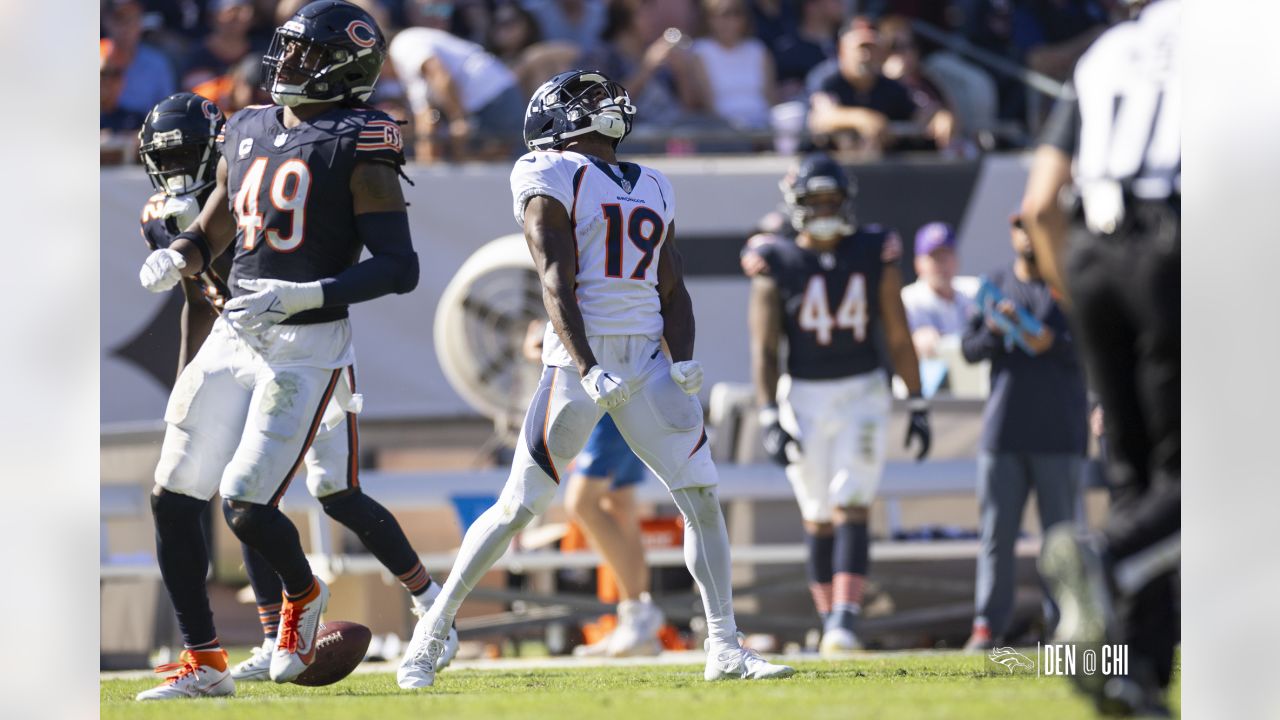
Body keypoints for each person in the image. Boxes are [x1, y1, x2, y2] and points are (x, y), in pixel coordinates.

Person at [398, 69, 796, 688]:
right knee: (520, 504)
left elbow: (671, 281)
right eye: (587, 99)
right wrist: (586, 364)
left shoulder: (655, 183)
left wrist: (683, 356)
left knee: (701, 497)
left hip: (649, 358)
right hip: (580, 361)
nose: (605, 104)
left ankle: (725, 645)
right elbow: (553, 275)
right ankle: (432, 634)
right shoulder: (546, 172)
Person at [132, 1, 453, 699]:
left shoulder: (360, 138)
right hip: (237, 329)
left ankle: (303, 598)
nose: (287, 62)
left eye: (304, 52)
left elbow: (400, 267)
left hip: (305, 341)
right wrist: (186, 252)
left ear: (343, 64)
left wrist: (305, 295)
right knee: (173, 493)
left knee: (247, 503)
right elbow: (223, 214)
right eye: (288, 48)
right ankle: (205, 662)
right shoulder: (247, 125)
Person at [1020, 0, 1180, 714]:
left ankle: (1133, 672)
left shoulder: (1108, 51)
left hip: (1090, 250)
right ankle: (1102, 557)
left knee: (1133, 476)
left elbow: (1039, 206)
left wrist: (1085, 302)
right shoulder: (1244, 43)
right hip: (1176, 244)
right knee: (1218, 474)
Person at [747, 152, 931, 655]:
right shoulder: (774, 258)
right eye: (816, 200)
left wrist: (916, 402)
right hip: (802, 394)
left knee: (852, 499)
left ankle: (845, 620)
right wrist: (767, 413)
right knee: (817, 511)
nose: (826, 209)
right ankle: (831, 618)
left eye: (833, 199)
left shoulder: (873, 249)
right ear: (796, 205)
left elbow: (897, 331)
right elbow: (764, 347)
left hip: (863, 390)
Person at [959, 213, 1087, 651]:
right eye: (1019, 226)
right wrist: (996, 330)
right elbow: (969, 349)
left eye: (1034, 225)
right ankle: (987, 627)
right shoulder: (994, 284)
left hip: (1060, 433)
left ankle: (1066, 627)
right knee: (997, 535)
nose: (1027, 235)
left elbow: (1098, 348)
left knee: (1063, 539)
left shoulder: (1071, 283)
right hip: (1004, 433)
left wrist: (1058, 344)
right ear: (1012, 234)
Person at [388, 14, 524, 161]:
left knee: (510, 166)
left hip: (494, 99)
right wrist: (425, 165)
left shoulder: (401, 44)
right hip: (490, 101)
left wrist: (458, 119)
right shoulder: (405, 57)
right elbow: (425, 116)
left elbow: (438, 73)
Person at [690, 0, 777, 131]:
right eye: (722, 15)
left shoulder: (758, 49)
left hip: (763, 128)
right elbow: (708, 104)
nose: (729, 21)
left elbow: (770, 98)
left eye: (736, 14)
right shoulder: (701, 51)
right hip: (723, 131)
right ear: (709, 19)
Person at [899, 222, 976, 360]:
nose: (942, 264)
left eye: (946, 255)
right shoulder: (907, 299)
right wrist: (912, 341)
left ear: (956, 259)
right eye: (935, 258)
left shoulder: (973, 290)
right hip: (925, 378)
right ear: (918, 264)